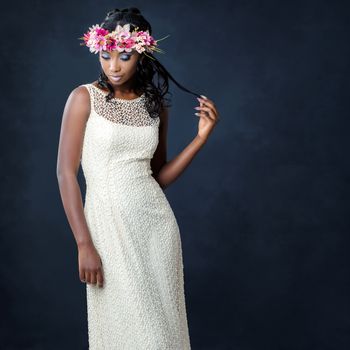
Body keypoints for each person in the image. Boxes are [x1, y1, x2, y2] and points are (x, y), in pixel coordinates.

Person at [56, 7, 219, 349]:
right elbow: (65, 172)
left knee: (164, 334)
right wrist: (83, 243)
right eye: (105, 55)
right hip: (108, 229)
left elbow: (157, 176)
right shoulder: (83, 98)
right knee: (135, 335)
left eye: (125, 56)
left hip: (155, 228)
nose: (113, 66)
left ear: (141, 54)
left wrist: (200, 139)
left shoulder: (155, 105)